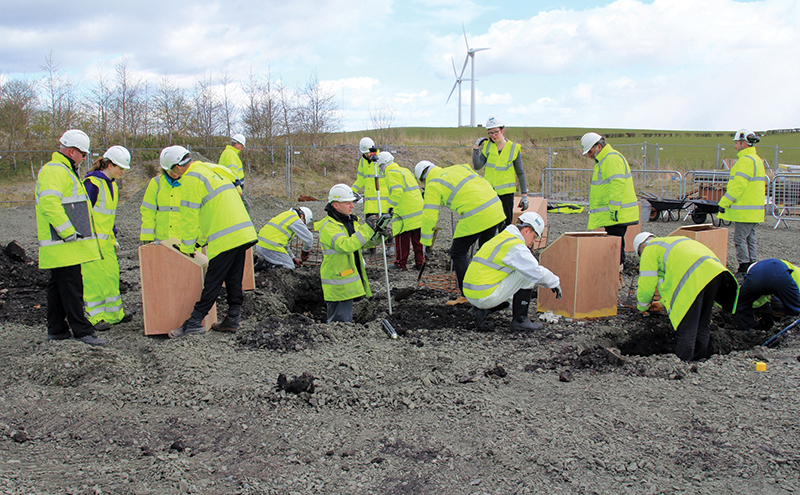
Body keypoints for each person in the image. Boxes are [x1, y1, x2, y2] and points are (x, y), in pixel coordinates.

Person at [160, 146, 258, 338]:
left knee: (213, 280)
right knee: (233, 277)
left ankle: (195, 322)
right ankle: (233, 318)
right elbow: (209, 215)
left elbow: (189, 219)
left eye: (170, 172)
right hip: (242, 232)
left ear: (176, 168)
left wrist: (187, 248)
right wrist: (200, 242)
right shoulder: (210, 170)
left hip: (226, 236)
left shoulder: (190, 179)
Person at [35, 129, 104, 346]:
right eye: (83, 154)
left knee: (58, 287)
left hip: (63, 244)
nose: (85, 159)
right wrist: (67, 232)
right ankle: (82, 331)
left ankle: (57, 329)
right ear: (72, 151)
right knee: (72, 287)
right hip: (64, 244)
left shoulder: (64, 170)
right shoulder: (56, 171)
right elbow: (49, 204)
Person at [633, 232, 738, 361]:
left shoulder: (649, 249)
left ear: (641, 248)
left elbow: (647, 283)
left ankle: (682, 363)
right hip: (715, 274)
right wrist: (662, 303)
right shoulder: (669, 243)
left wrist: (642, 306)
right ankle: (700, 360)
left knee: (687, 326)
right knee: (702, 322)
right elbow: (670, 283)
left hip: (696, 277)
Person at [415, 160, 506, 305]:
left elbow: (429, 216)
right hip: (495, 208)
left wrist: (426, 243)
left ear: (423, 179)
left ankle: (467, 296)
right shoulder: (460, 167)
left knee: (458, 253)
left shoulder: (433, 184)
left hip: (476, 214)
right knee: (486, 253)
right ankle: (490, 290)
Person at [463, 212, 561, 331]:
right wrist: (554, 282)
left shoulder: (502, 238)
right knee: (525, 275)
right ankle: (520, 321)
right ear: (526, 230)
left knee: (512, 298)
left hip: (471, 293)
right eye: (534, 236)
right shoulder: (516, 246)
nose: (533, 241)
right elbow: (535, 271)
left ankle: (481, 310)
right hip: (484, 295)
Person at [319, 184, 389, 323]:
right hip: (337, 281)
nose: (352, 206)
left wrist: (377, 236)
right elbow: (346, 245)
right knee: (339, 323)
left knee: (344, 321)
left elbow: (360, 243)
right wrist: (367, 228)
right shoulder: (329, 227)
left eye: (352, 202)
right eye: (347, 202)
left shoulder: (349, 221)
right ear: (336, 205)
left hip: (347, 279)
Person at [82, 146, 133, 331]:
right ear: (109, 165)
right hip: (92, 241)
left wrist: (114, 233)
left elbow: (108, 214)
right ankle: (95, 317)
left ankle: (114, 314)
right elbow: (83, 213)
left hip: (107, 241)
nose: (123, 172)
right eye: (120, 167)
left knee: (111, 276)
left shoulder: (111, 185)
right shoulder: (92, 183)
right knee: (94, 280)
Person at [581, 132, 639, 266]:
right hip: (614, 214)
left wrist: (614, 208)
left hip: (616, 214)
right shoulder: (605, 159)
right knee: (615, 244)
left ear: (598, 147)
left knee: (616, 245)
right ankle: (616, 272)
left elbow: (617, 184)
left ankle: (616, 273)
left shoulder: (611, 159)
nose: (589, 155)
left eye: (590, 151)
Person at [718, 129, 766, 279]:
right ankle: (753, 266)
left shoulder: (745, 161)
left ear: (744, 143)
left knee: (740, 239)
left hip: (745, 211)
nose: (735, 146)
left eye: (737, 143)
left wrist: (724, 202)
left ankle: (744, 268)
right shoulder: (756, 159)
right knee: (750, 238)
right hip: (754, 210)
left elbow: (737, 187)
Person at [473, 116, 529, 230]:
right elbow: (477, 165)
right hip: (490, 193)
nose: (493, 135)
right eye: (490, 133)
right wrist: (475, 149)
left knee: (506, 226)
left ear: (502, 130)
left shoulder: (513, 148)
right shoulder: (488, 147)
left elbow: (520, 173)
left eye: (496, 132)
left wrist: (524, 195)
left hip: (506, 195)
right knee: (488, 226)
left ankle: (504, 247)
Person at [377, 152, 424, 270]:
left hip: (405, 213)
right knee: (417, 240)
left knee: (402, 240)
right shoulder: (405, 170)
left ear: (382, 165)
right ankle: (420, 262)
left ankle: (400, 263)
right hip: (418, 210)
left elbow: (396, 192)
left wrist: (388, 208)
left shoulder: (391, 174)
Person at [351, 137, 393, 254]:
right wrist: (351, 191)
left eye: (370, 152)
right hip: (369, 201)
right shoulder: (362, 162)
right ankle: (371, 248)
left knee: (383, 225)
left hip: (382, 199)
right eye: (366, 153)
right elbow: (360, 179)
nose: (369, 154)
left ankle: (390, 246)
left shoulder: (382, 158)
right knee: (369, 225)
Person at [735, 258, 800, 332]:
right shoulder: (791, 268)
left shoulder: (755, 270)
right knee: (795, 310)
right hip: (781, 277)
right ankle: (792, 332)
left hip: (755, 280)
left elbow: (756, 300)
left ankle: (746, 331)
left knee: (743, 305)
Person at [140, 157, 183, 243]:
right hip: (163, 239)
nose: (173, 172)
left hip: (185, 240)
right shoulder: (156, 183)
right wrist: (147, 237)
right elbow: (148, 212)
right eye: (170, 169)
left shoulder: (192, 183)